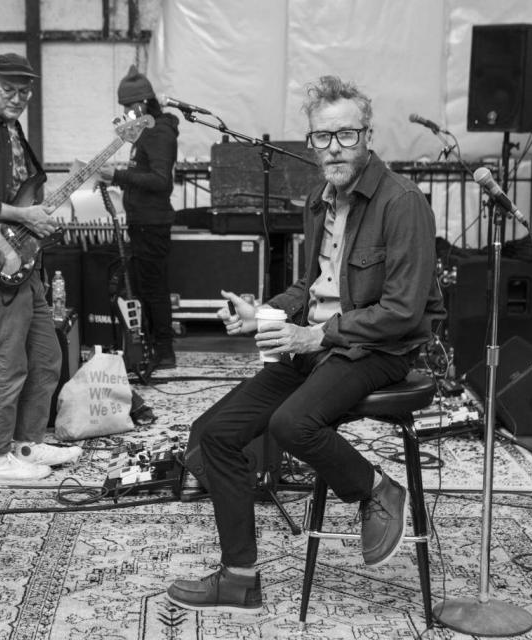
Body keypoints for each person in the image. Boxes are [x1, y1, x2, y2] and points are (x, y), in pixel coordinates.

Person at [167, 75, 445, 611]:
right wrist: (264, 312)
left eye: (345, 135)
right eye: (322, 137)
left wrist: (315, 333)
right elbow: (310, 286)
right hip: (318, 344)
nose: (333, 148)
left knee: (291, 423)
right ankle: (239, 578)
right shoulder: (320, 199)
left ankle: (376, 490)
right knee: (215, 435)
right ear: (311, 142)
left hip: (376, 350)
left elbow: (402, 311)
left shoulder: (402, 202)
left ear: (368, 136)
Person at [0, 52, 82, 483]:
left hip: (23, 264)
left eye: (25, 91)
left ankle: (25, 444)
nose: (18, 98)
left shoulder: (12, 129)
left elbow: (20, 193)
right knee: (9, 363)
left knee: (46, 357)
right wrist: (25, 217)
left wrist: (37, 215)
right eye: (9, 89)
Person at [99, 65, 180, 369]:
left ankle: (165, 350)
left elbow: (161, 181)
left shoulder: (158, 133)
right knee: (147, 286)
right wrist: (117, 177)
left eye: (128, 108)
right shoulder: (147, 132)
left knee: (154, 288)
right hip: (143, 222)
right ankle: (156, 345)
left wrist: (118, 175)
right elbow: (144, 174)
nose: (126, 114)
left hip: (152, 223)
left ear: (141, 104)